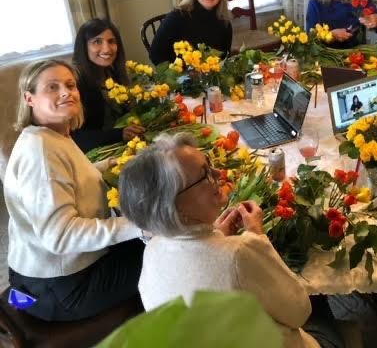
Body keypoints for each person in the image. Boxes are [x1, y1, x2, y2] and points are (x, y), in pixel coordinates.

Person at [118, 133, 343, 348]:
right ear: (177, 208)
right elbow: (299, 312)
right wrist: (257, 238)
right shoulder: (236, 254)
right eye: (205, 174)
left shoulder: (153, 248)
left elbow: (199, 265)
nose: (218, 174)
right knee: (320, 301)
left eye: (209, 164)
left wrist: (215, 235)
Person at [4, 59, 143, 321]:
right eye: (52, 87)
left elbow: (68, 177)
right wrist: (140, 224)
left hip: (45, 273)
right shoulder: (41, 153)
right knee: (165, 251)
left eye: (70, 85)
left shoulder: (51, 135)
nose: (66, 92)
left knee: (145, 240)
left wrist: (109, 164)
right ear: (29, 98)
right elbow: (61, 237)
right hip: (59, 287)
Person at [71, 18, 145, 152]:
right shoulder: (76, 82)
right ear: (84, 47)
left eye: (111, 41)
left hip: (120, 143)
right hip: (95, 153)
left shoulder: (111, 72)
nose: (107, 49)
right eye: (97, 42)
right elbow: (75, 138)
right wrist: (119, 134)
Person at [150, 0, 233, 64]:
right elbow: (155, 55)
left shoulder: (224, 21)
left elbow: (225, 57)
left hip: (213, 76)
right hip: (180, 76)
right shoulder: (176, 17)